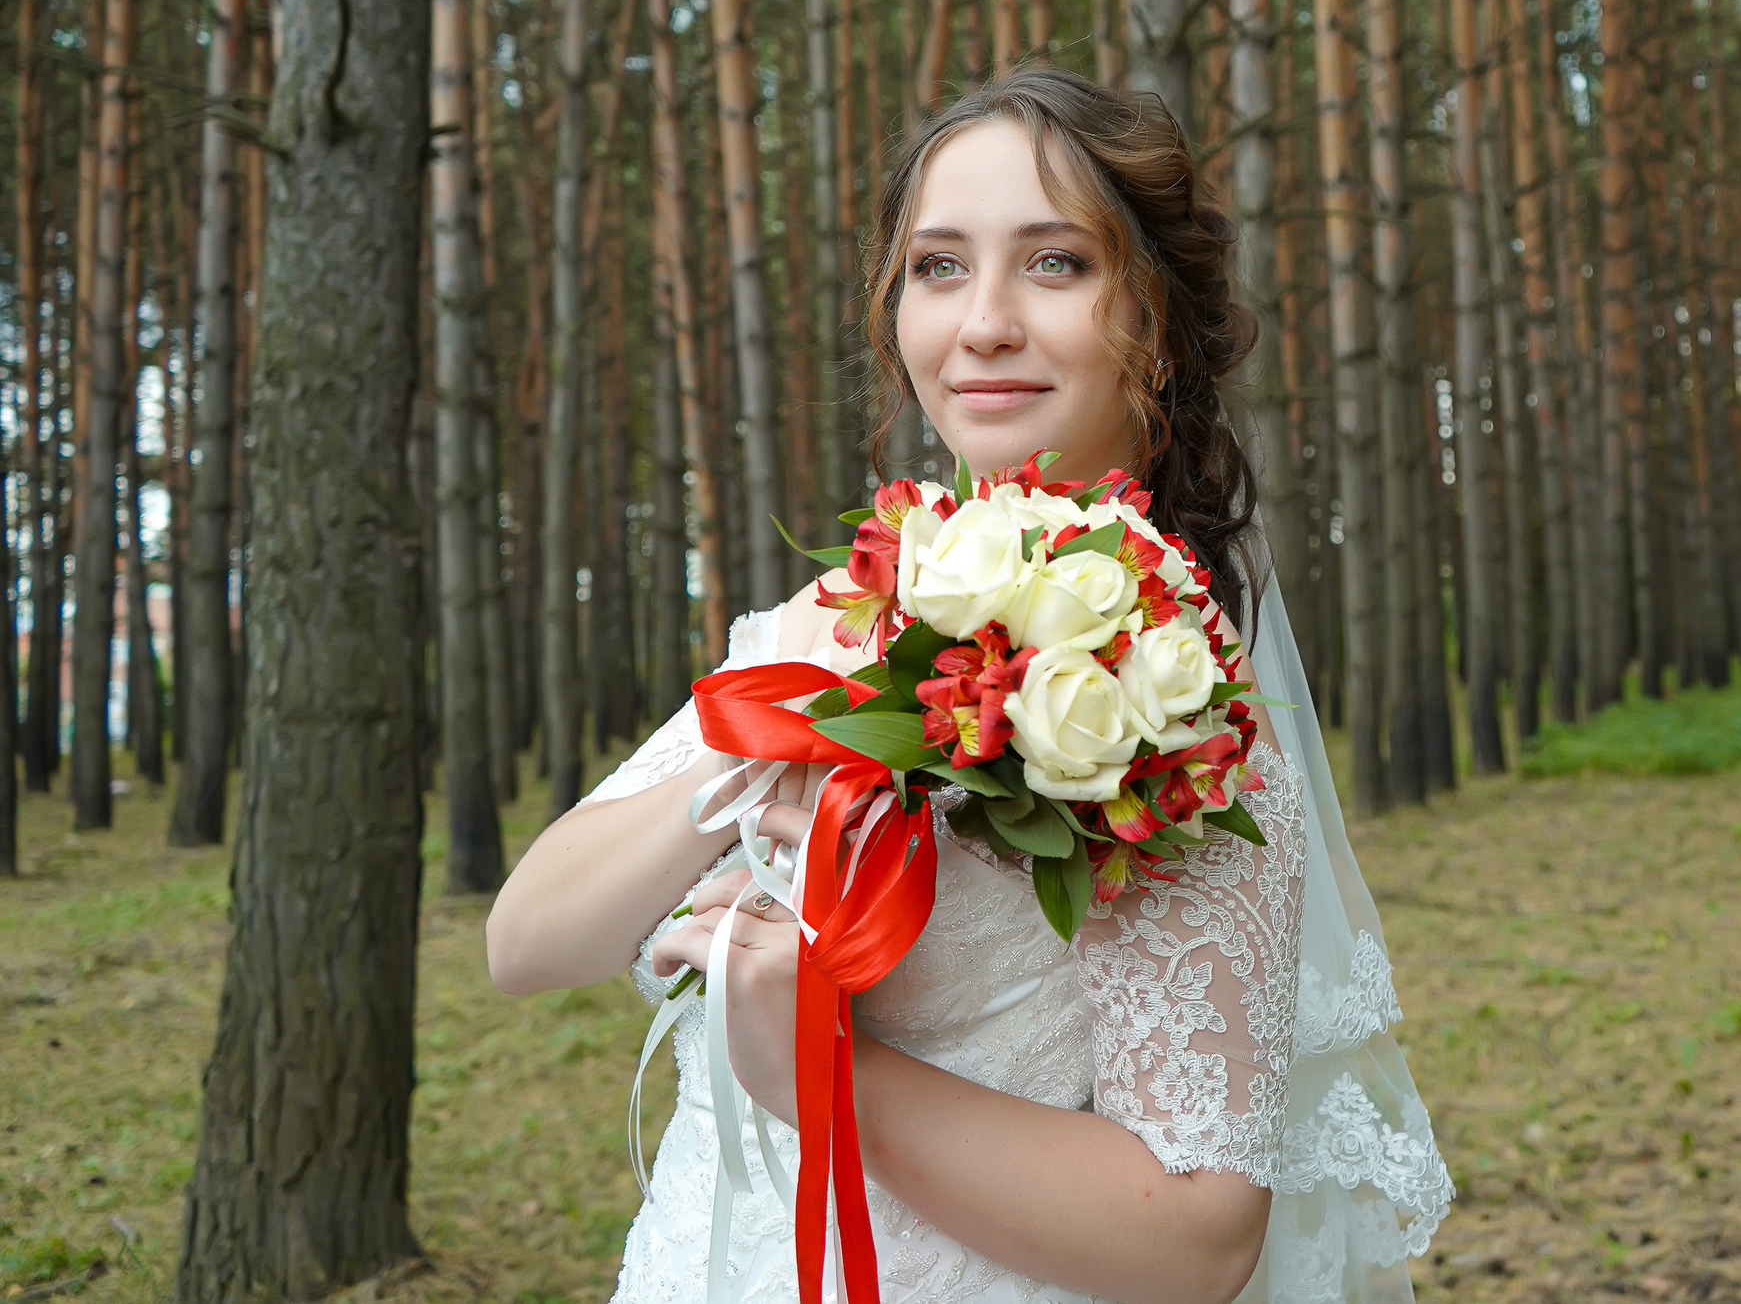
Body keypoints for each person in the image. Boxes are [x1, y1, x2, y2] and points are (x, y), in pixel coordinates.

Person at [487, 67, 1449, 1304]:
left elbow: (1199, 1238)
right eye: (940, 267)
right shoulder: (831, 620)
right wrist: (794, 720)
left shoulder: (1162, 684)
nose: (982, 322)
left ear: (1152, 318)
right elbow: (527, 941)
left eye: (1054, 264)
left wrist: (824, 1073)